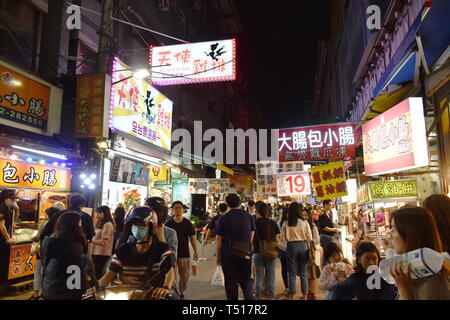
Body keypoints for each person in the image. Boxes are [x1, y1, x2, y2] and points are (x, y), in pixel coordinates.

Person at [99, 207, 177, 300]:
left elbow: (169, 272)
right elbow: (109, 274)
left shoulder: (162, 248)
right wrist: (95, 288)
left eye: (142, 225)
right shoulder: (123, 249)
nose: (137, 228)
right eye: (134, 225)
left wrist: (165, 288)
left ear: (151, 227)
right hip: (127, 294)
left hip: (153, 294)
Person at [388, 206, 450, 300]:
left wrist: (404, 290)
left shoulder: (434, 282)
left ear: (410, 234)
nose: (390, 235)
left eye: (393, 230)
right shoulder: (412, 273)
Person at [215, 194, 256, 300]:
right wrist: (246, 244)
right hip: (245, 253)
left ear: (227, 203)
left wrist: (218, 257)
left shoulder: (223, 218)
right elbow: (252, 232)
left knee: (230, 282)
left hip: (228, 254)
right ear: (239, 203)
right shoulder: (248, 216)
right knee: (246, 279)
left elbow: (218, 239)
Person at [41, 212, 89, 300]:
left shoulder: (49, 241)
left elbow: (45, 263)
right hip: (68, 289)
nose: (81, 226)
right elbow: (76, 270)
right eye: (79, 223)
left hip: (50, 286)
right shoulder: (74, 245)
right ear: (73, 226)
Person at [332, 242, 396, 300]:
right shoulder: (355, 278)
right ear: (359, 260)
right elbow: (337, 292)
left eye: (374, 258)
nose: (371, 262)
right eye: (367, 259)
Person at [165, 201, 198, 300]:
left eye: (179, 208)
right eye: (175, 208)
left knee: (184, 275)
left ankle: (182, 291)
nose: (178, 210)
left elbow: (192, 237)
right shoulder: (168, 223)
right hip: (171, 254)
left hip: (184, 253)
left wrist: (195, 251)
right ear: (172, 210)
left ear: (183, 210)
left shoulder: (187, 223)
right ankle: (175, 292)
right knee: (172, 275)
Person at [28, 206, 61, 300]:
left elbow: (38, 237)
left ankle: (36, 294)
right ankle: (44, 294)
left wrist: (33, 239)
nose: (45, 216)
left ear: (49, 215)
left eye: (46, 214)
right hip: (52, 252)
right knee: (47, 273)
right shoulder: (59, 225)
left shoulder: (46, 224)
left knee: (38, 272)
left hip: (42, 250)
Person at [282, 202, 313, 300]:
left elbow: (283, 238)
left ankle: (292, 296)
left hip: (291, 247)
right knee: (303, 274)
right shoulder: (304, 222)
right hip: (303, 246)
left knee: (292, 274)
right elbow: (310, 237)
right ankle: (304, 296)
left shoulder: (286, 223)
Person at [253, 202, 280, 300]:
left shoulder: (254, 223)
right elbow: (277, 239)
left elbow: (251, 238)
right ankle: (272, 298)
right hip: (271, 253)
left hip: (257, 252)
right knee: (271, 278)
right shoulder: (272, 222)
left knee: (259, 277)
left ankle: (258, 298)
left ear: (257, 211)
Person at [91, 206, 115, 280]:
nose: (97, 215)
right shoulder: (100, 223)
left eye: (100, 213)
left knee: (100, 275)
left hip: (102, 254)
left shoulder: (108, 224)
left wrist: (91, 241)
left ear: (105, 213)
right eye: (96, 213)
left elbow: (104, 242)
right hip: (96, 253)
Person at [0, 189, 19, 283]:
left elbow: (13, 222)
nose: (13, 202)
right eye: (12, 200)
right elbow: (1, 225)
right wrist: (8, 238)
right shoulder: (2, 207)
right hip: (2, 240)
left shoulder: (8, 208)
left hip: (4, 239)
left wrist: (17, 209)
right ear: (6, 198)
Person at [305, 208, 322, 300]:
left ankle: (312, 292)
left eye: (306, 215)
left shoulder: (313, 226)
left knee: (314, 273)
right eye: (303, 215)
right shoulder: (303, 225)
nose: (304, 217)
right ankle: (308, 291)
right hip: (306, 252)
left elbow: (317, 240)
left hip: (313, 252)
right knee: (307, 273)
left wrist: (308, 242)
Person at [278, 206, 289, 295]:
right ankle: (287, 287)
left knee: (289, 268)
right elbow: (278, 237)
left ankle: (289, 287)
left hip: (286, 248)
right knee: (284, 268)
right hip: (283, 248)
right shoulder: (280, 223)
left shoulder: (293, 222)